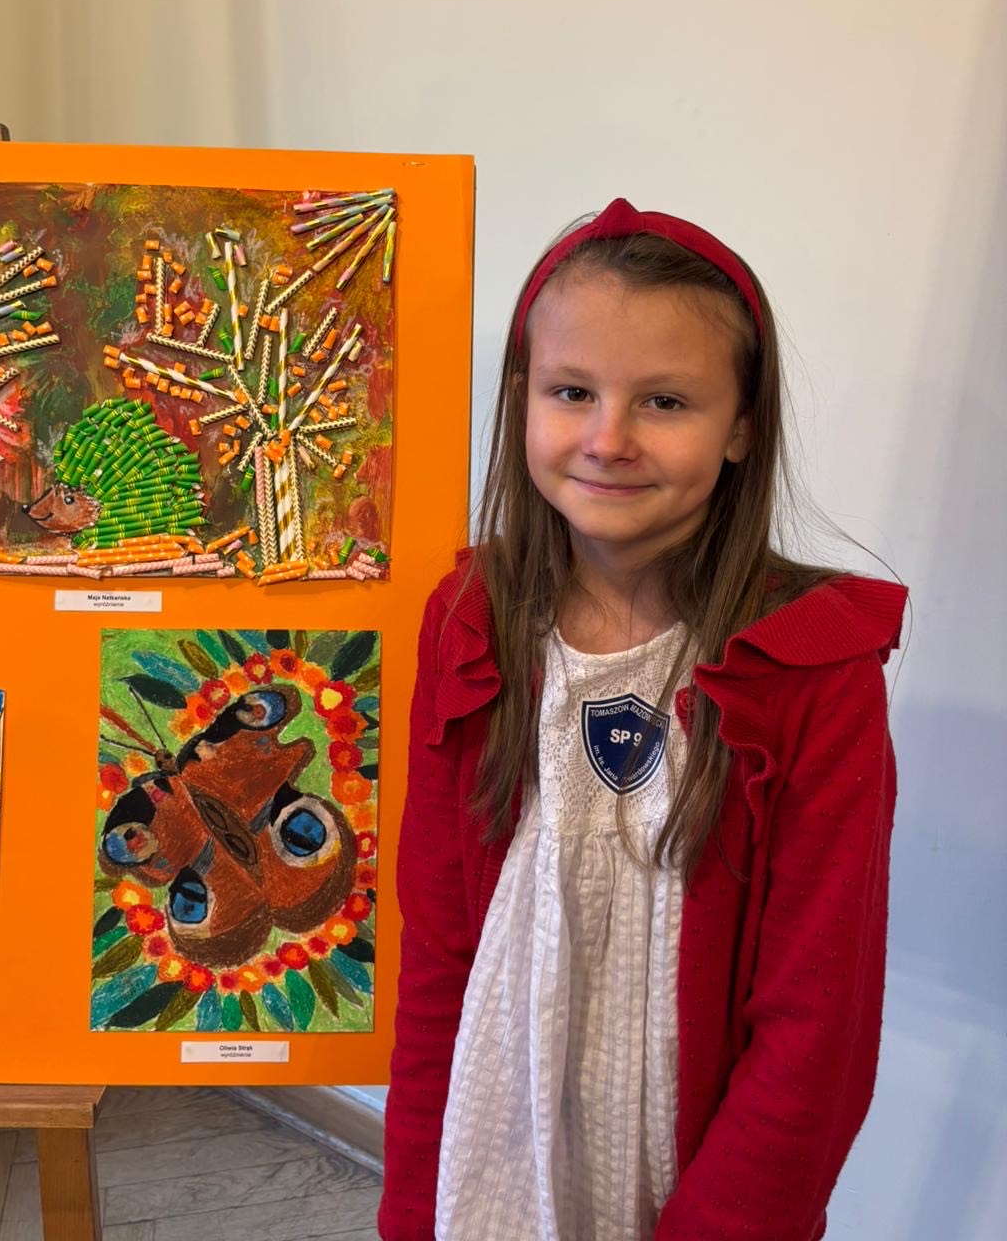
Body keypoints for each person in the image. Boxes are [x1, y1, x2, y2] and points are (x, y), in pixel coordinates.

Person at [379, 198, 907, 1241]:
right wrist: (409, 1208)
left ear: (742, 425)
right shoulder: (472, 623)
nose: (608, 439)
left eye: (664, 401)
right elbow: (439, 954)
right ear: (523, 399)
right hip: (494, 1169)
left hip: (694, 1195)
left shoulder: (811, 670)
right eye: (573, 391)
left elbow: (816, 1031)